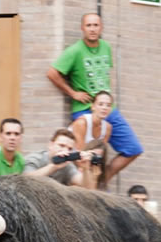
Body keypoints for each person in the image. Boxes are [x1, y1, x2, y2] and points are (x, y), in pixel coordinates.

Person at [47, 13, 143, 183]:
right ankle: (84, 183)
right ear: (82, 28)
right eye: (89, 25)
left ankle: (100, 182)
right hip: (84, 108)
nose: (92, 29)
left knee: (133, 148)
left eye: (96, 25)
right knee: (82, 153)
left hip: (107, 108)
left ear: (101, 27)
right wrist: (73, 93)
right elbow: (52, 73)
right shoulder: (75, 51)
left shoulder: (106, 47)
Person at [24, 128, 90, 187]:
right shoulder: (35, 158)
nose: (65, 151)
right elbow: (26, 180)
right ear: (50, 145)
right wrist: (54, 166)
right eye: (61, 145)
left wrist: (86, 169)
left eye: (70, 149)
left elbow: (83, 184)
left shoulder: (66, 164)